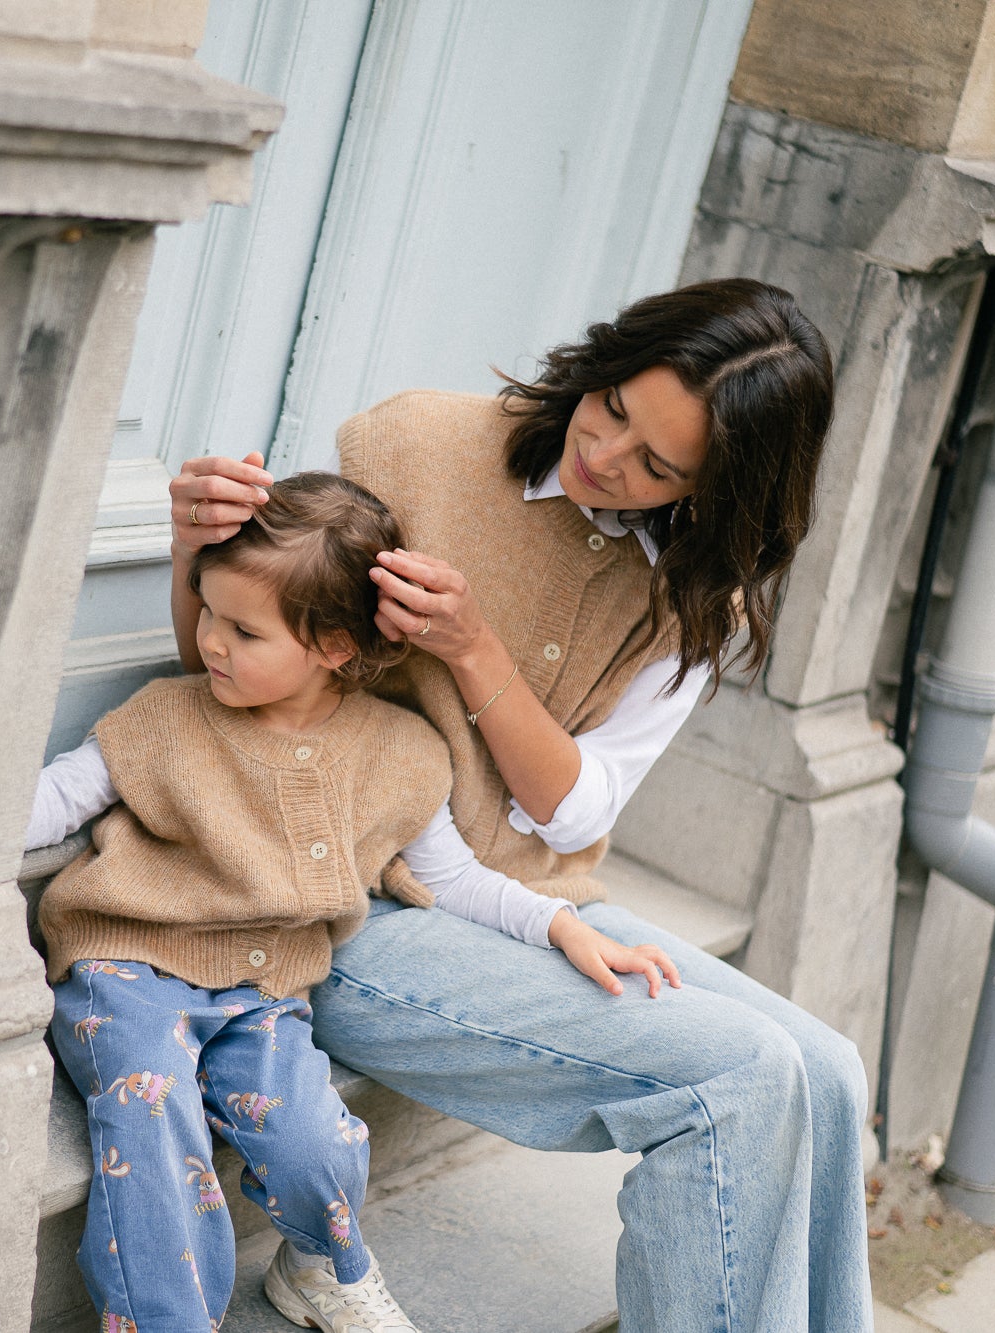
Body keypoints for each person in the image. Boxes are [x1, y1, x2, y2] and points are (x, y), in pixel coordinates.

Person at [167, 279, 869, 1332]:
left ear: (714, 492)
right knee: (734, 1073)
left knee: (828, 1068)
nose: (607, 457)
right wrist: (191, 543)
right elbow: (234, 666)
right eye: (615, 409)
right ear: (606, 360)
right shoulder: (411, 449)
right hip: (353, 903)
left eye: (657, 467)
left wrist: (471, 645)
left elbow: (574, 813)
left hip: (526, 898)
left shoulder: (688, 587)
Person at [27, 472, 680, 1333]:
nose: (210, 641)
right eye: (207, 610)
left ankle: (323, 1268)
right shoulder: (166, 715)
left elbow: (451, 879)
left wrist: (560, 924)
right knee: (149, 1109)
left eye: (244, 629)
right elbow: (58, 796)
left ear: (335, 646)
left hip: (265, 995)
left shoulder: (401, 752)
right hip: (129, 966)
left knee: (315, 1147)